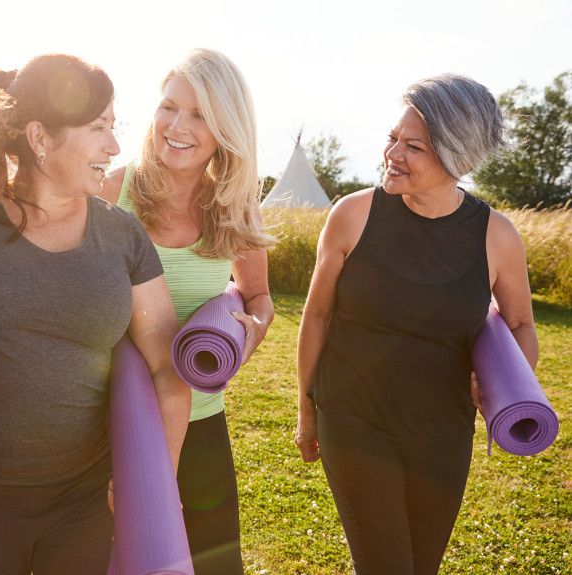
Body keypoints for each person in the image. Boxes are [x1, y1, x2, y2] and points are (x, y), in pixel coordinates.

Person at [0, 54, 191, 575]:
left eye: (114, 128)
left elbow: (167, 368)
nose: (114, 147)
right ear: (39, 138)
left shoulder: (121, 235)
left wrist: (154, 483)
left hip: (84, 502)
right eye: (97, 128)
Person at [294, 74, 538, 575]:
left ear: (457, 158)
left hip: (443, 433)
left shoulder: (496, 236)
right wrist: (307, 408)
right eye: (392, 138)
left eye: (413, 147)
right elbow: (316, 314)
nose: (392, 153)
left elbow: (520, 325)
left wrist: (504, 385)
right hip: (354, 418)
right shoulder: (353, 215)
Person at [100, 48, 274, 575]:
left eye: (199, 115)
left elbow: (258, 297)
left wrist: (250, 332)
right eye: (169, 106)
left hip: (199, 422)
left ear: (226, 128)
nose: (177, 126)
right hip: (108, 421)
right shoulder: (113, 191)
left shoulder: (234, 206)